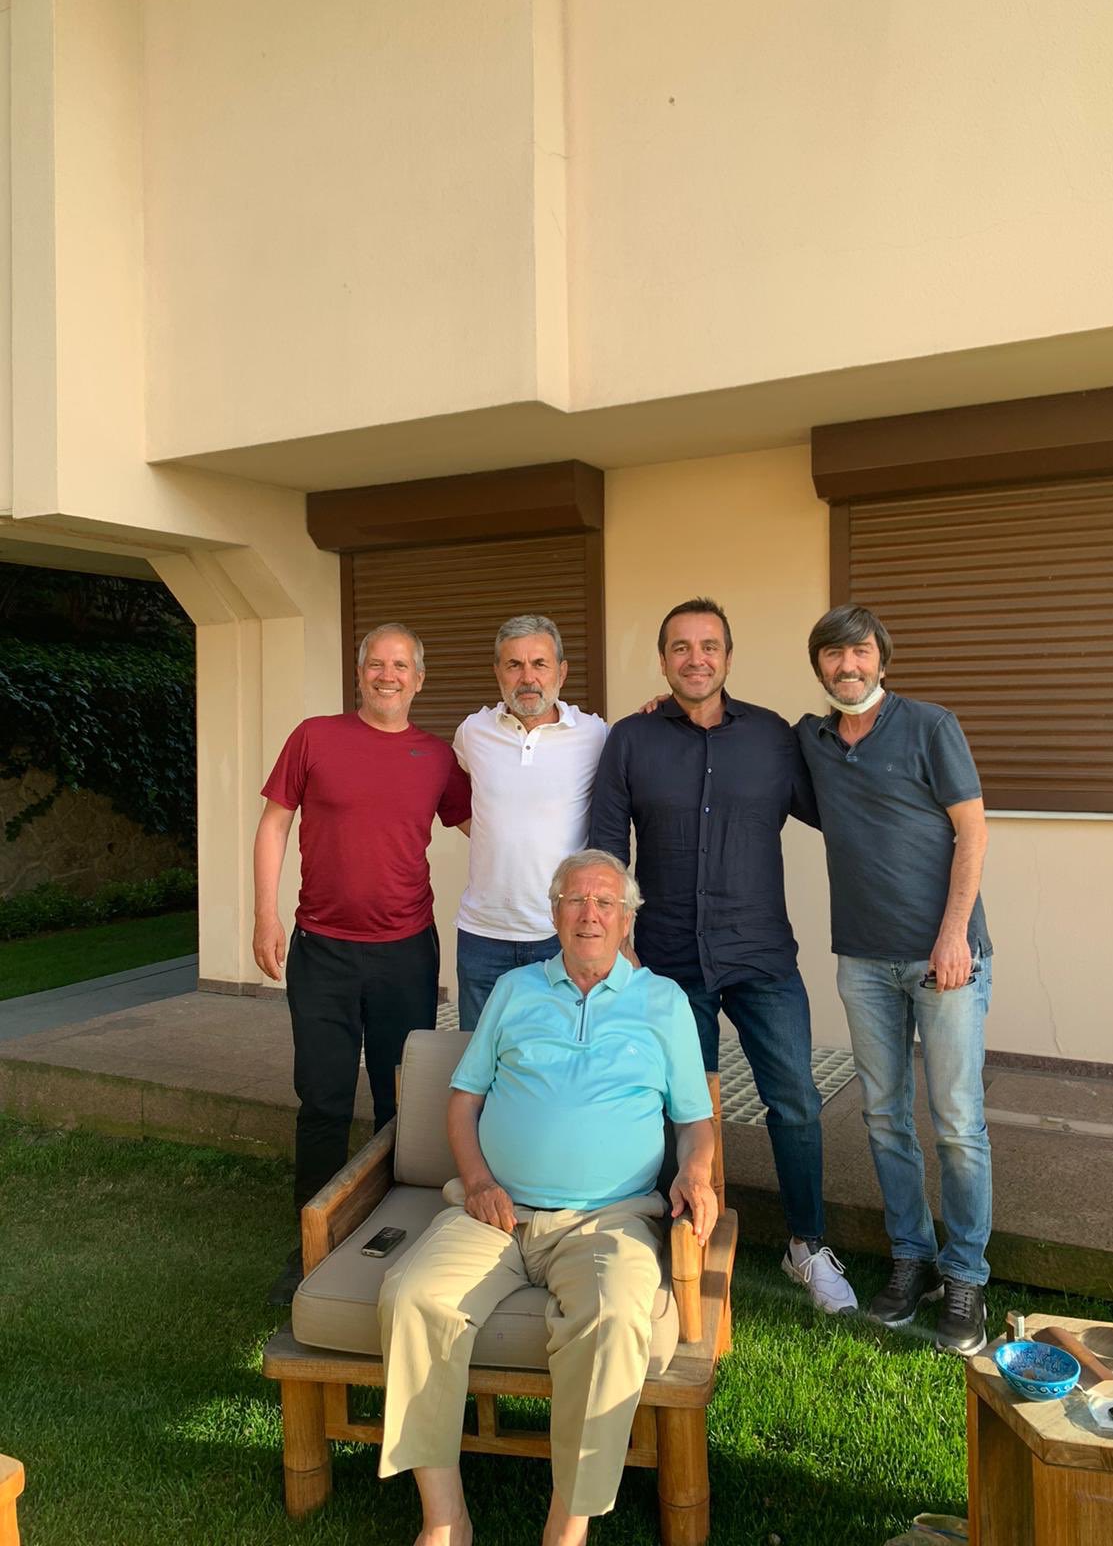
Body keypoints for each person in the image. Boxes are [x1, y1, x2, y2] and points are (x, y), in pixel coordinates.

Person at [377, 849, 716, 1546]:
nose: (590, 914)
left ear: (626, 920)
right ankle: (444, 1519)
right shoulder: (515, 990)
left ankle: (567, 1527)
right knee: (414, 1295)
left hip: (610, 1221)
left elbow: (694, 1119)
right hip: (496, 1212)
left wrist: (697, 1172)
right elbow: (463, 1100)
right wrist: (478, 1182)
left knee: (614, 1318)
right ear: (555, 914)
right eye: (575, 901)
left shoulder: (663, 1003)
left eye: (605, 903)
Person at [589, 597, 857, 1315]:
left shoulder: (773, 737)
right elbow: (607, 849)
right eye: (681, 647)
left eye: (709, 646)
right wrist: (618, 939)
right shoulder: (631, 740)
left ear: (729, 658)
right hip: (669, 959)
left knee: (795, 1100)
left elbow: (840, 802)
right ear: (663, 660)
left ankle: (806, 1245)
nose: (696, 658)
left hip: (761, 954)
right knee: (679, 1105)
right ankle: (679, 1235)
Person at [253, 622, 471, 1302]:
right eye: (377, 663)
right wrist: (265, 914)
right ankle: (311, 1241)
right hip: (322, 951)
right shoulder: (314, 737)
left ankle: (388, 1234)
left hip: (405, 953)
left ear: (419, 679)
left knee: (397, 1099)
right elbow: (274, 823)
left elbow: (491, 827)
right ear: (359, 673)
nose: (388, 675)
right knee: (321, 1098)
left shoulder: (437, 758)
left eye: (401, 665)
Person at [796, 604, 992, 1355]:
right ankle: (912, 1257)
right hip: (863, 960)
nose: (847, 666)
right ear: (819, 665)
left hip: (945, 956)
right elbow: (735, 735)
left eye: (860, 653)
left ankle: (965, 1273)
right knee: (884, 1116)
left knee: (957, 1122)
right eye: (833, 655)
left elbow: (972, 830)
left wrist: (953, 935)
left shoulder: (931, 725)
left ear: (881, 658)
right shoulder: (811, 741)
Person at [452, 614, 608, 1030]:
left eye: (540, 664)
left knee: (558, 1057)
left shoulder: (596, 735)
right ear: (497, 672)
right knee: (480, 1057)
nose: (528, 678)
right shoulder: (472, 732)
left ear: (562, 671)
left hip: (561, 934)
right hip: (483, 934)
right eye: (514, 665)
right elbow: (462, 802)